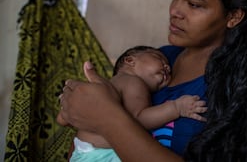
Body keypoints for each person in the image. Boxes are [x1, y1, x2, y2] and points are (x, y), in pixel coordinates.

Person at [58, 0, 247, 162]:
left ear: (233, 17)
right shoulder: (160, 60)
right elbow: (91, 133)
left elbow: (107, 117)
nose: (175, 11)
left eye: (194, 4)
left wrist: (108, 119)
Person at [66, 45, 207, 161]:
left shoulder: (110, 84)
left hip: (82, 150)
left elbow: (68, 115)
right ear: (130, 61)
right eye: (159, 59)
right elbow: (138, 119)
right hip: (101, 154)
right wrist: (176, 107)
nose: (167, 67)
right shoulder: (133, 82)